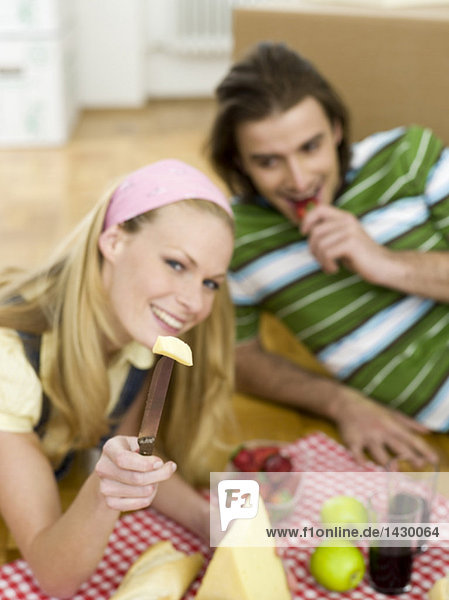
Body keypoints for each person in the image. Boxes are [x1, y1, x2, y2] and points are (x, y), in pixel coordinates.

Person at [207, 41, 449, 469]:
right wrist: (339, 402)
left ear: (336, 130)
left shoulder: (408, 158)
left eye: (310, 147)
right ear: (239, 163)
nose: (299, 180)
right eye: (268, 162)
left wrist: (383, 263)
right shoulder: (234, 240)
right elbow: (239, 361)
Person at [0, 159, 234, 598]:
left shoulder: (137, 338)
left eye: (211, 283)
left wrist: (209, 522)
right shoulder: (10, 362)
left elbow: (129, 451)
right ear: (113, 241)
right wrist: (103, 490)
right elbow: (55, 576)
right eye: (177, 264)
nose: (193, 303)